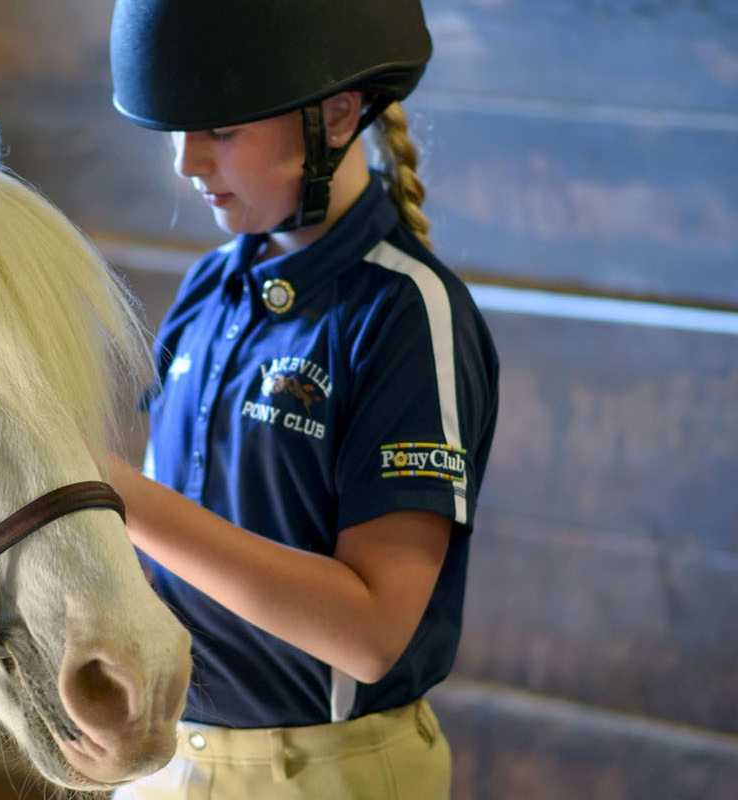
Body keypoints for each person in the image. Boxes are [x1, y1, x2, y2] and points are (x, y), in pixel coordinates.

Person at [104, 1, 499, 797]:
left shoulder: (405, 314)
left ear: (338, 113)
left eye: (220, 131)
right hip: (171, 759)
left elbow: (370, 634)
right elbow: (162, 570)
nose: (187, 164)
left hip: (323, 773)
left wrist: (111, 491)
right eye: (178, 132)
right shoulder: (209, 291)